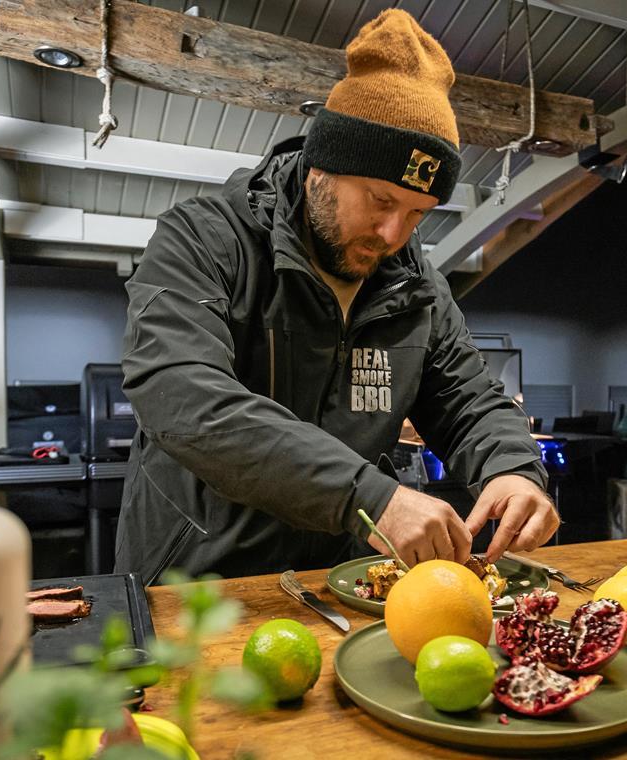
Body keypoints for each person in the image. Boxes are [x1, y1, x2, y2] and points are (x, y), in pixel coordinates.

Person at [115, 8, 559, 584]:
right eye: (380, 200)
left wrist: (515, 470)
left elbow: (469, 399)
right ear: (322, 168)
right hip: (198, 586)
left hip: (342, 586)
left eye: (418, 213)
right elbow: (183, 397)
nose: (395, 235)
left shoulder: (418, 287)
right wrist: (368, 497)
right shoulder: (203, 238)